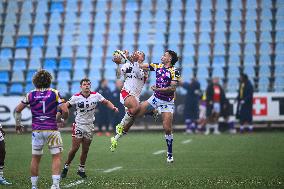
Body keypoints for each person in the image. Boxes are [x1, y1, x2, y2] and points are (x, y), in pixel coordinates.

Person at [111, 50, 181, 163]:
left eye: (165, 55)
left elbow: (172, 88)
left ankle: (169, 153)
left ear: (170, 59)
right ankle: (151, 111)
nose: (162, 56)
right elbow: (138, 65)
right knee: (134, 113)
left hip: (167, 101)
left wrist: (158, 89)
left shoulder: (175, 71)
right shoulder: (157, 66)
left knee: (167, 128)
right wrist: (126, 58)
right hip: (155, 98)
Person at [14, 70, 69, 189]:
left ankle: (34, 186)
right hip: (52, 130)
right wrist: (63, 120)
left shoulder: (30, 94)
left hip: (37, 131)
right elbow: (65, 110)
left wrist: (18, 124)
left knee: (35, 157)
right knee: (56, 156)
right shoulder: (54, 93)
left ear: (35, 81)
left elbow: (18, 110)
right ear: (49, 80)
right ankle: (55, 185)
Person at [61, 78, 119, 179]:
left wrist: (113, 107)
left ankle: (81, 169)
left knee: (85, 149)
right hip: (78, 124)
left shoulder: (96, 95)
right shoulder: (76, 97)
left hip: (90, 125)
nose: (86, 86)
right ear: (81, 86)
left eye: (88, 84)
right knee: (75, 148)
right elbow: (65, 106)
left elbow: (106, 102)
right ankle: (66, 167)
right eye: (84, 84)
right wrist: (61, 116)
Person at [110, 50, 148, 150]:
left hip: (135, 97)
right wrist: (118, 65)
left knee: (129, 124)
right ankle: (120, 125)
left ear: (142, 58)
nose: (136, 53)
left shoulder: (145, 68)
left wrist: (130, 60)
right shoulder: (127, 65)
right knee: (136, 107)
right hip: (126, 93)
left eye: (139, 53)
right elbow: (118, 76)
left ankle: (115, 139)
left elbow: (138, 74)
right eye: (136, 52)